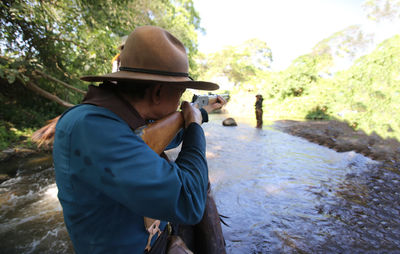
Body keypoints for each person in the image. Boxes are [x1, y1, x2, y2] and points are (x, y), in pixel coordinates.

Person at [52, 26, 226, 253]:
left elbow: (167, 138)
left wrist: (201, 113)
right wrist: (194, 126)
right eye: (180, 91)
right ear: (157, 93)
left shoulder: (122, 119)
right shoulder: (92, 126)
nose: (180, 101)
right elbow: (190, 202)